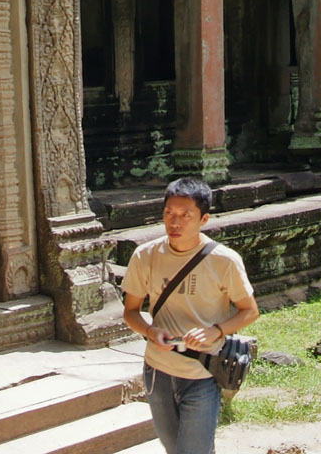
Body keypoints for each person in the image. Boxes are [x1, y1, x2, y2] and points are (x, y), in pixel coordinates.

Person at [121, 177, 259, 454]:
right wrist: (150, 332)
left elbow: (249, 311)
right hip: (157, 371)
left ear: (204, 219)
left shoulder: (224, 261)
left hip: (203, 372)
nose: (175, 223)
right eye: (169, 214)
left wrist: (216, 331)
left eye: (186, 215)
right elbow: (131, 312)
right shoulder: (145, 255)